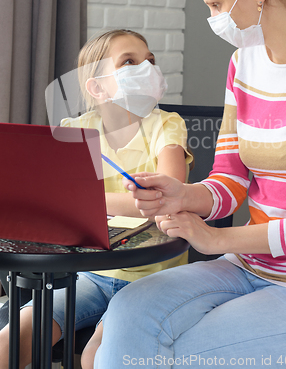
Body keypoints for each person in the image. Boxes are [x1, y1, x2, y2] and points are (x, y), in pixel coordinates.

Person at [93, 0, 286, 369]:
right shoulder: (243, 65)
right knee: (128, 315)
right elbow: (231, 178)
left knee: (168, 356)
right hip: (248, 267)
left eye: (217, 6)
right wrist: (182, 195)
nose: (215, 20)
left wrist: (217, 236)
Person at [0, 29, 192, 369]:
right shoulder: (75, 129)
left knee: (97, 356)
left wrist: (88, 200)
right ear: (97, 87)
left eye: (150, 61)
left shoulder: (166, 125)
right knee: (15, 335)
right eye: (129, 62)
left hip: (154, 276)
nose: (146, 68)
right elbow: (53, 202)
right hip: (92, 273)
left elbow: (170, 195)